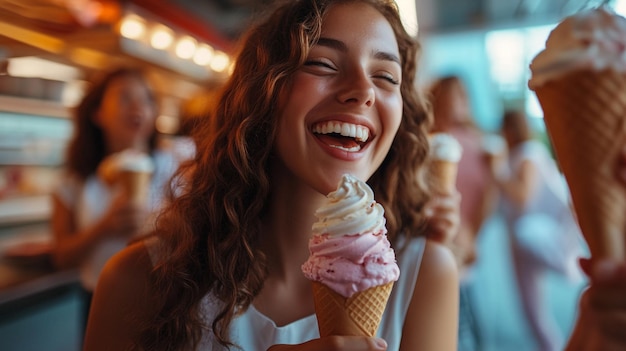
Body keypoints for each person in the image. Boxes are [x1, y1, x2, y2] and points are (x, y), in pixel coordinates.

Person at [84, 1, 461, 350]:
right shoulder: (138, 282)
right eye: (322, 64)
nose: (363, 91)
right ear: (263, 92)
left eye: (385, 76)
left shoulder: (424, 276)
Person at [50, 67, 179, 334]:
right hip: (100, 302)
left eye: (146, 99)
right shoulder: (74, 181)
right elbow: (62, 256)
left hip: (164, 301)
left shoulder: (176, 166)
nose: (138, 107)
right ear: (98, 113)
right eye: (125, 98)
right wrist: (105, 228)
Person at [490, 110, 585, 351]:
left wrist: (496, 173)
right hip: (522, 238)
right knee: (531, 311)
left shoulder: (527, 155)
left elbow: (523, 196)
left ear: (510, 130)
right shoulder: (519, 155)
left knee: (534, 310)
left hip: (532, 237)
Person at [427, 75, 499, 351]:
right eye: (454, 95)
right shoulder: (431, 141)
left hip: (470, 236)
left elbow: (488, 197)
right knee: (455, 316)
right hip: (445, 236)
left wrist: (474, 236)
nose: (461, 101)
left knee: (475, 313)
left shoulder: (481, 143)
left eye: (463, 95)